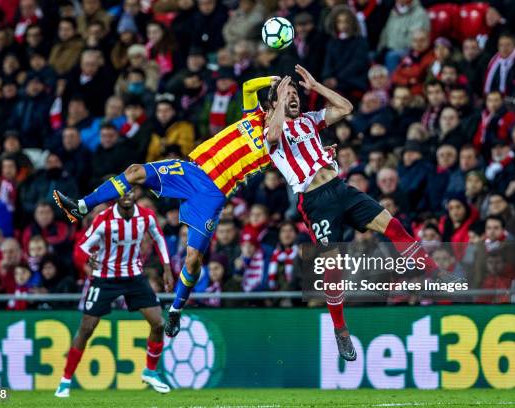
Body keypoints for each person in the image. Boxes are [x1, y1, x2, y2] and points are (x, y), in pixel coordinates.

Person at [53, 75, 277, 338]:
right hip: (192, 170)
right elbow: (248, 86)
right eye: (275, 105)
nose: (277, 111)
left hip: (213, 195)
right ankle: (81, 206)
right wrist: (271, 80)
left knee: (193, 260)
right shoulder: (253, 115)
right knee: (135, 171)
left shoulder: (276, 144)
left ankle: (175, 310)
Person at [266, 66, 440, 361]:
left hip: (340, 188)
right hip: (315, 201)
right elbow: (271, 136)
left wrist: (316, 85)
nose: (293, 97)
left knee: (392, 224)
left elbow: (345, 107)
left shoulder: (310, 120)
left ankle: (432, 272)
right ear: (275, 103)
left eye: (295, 94)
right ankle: (340, 329)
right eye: (287, 94)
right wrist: (279, 101)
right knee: (333, 268)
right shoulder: (273, 129)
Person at [54, 190, 173, 398]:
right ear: (115, 195)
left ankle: (150, 371)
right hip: (105, 277)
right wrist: (86, 261)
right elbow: (81, 248)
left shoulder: (146, 216)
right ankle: (65, 381)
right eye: (123, 192)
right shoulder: (104, 219)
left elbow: (159, 238)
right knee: (87, 328)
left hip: (134, 276)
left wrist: (167, 268)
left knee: (159, 323)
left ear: (136, 193)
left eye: (131, 191)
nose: (127, 195)